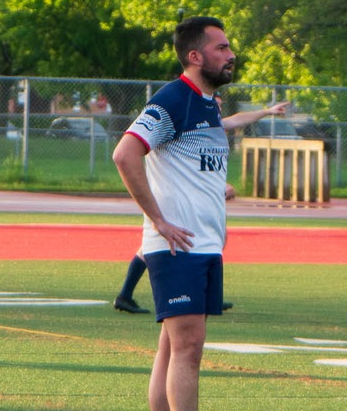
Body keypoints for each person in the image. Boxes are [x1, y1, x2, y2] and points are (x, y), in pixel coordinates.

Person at [113, 16, 243, 411]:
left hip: (204, 247)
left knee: (171, 351)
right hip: (178, 249)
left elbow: (186, 165)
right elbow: (126, 154)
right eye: (222, 47)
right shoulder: (172, 98)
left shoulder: (207, 104)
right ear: (195, 55)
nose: (230, 55)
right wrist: (159, 220)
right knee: (188, 351)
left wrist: (215, 189)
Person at [112, 97, 289, 313]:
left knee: (212, 239)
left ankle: (202, 295)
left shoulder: (211, 125)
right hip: (175, 199)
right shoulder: (187, 124)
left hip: (197, 199)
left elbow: (238, 121)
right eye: (216, 104)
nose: (219, 108)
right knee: (161, 246)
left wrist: (268, 111)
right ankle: (128, 295)